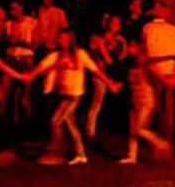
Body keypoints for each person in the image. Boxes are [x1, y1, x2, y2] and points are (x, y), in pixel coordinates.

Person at [17, 29, 121, 165]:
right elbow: (40, 68)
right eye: (59, 37)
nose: (59, 40)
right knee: (72, 126)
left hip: (74, 96)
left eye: (62, 38)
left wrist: (110, 83)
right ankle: (81, 155)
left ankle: (55, 151)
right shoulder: (56, 56)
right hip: (64, 95)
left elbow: (95, 70)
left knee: (55, 121)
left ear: (69, 40)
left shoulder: (80, 54)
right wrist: (27, 76)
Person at [118, 40, 174, 163]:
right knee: (133, 129)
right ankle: (132, 156)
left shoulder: (147, 64)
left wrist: (169, 81)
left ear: (139, 48)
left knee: (140, 129)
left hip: (145, 99)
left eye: (132, 46)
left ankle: (161, 143)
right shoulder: (132, 63)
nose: (129, 49)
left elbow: (158, 76)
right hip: (134, 97)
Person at [142, 0, 175, 142]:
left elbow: (148, 51)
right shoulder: (172, 29)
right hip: (168, 71)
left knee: (156, 105)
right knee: (166, 107)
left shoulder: (149, 28)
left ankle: (159, 138)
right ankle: (164, 137)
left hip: (157, 71)